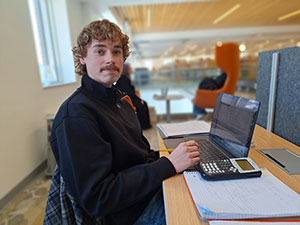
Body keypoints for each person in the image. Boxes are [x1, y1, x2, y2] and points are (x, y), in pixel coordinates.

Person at [43, 19, 200, 225]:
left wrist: (174, 158)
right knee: (198, 216)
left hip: (142, 193)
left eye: (117, 52)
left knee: (207, 188)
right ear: (82, 57)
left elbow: (140, 155)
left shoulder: (119, 100)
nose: (111, 59)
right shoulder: (76, 114)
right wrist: (168, 164)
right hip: (126, 214)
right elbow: (99, 198)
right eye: (100, 51)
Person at [116, 63, 151, 129]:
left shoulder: (126, 78)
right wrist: (139, 100)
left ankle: (145, 124)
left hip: (131, 97)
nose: (132, 69)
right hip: (128, 99)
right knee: (142, 105)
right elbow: (129, 93)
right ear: (126, 70)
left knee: (144, 103)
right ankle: (144, 125)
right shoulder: (124, 80)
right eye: (130, 68)